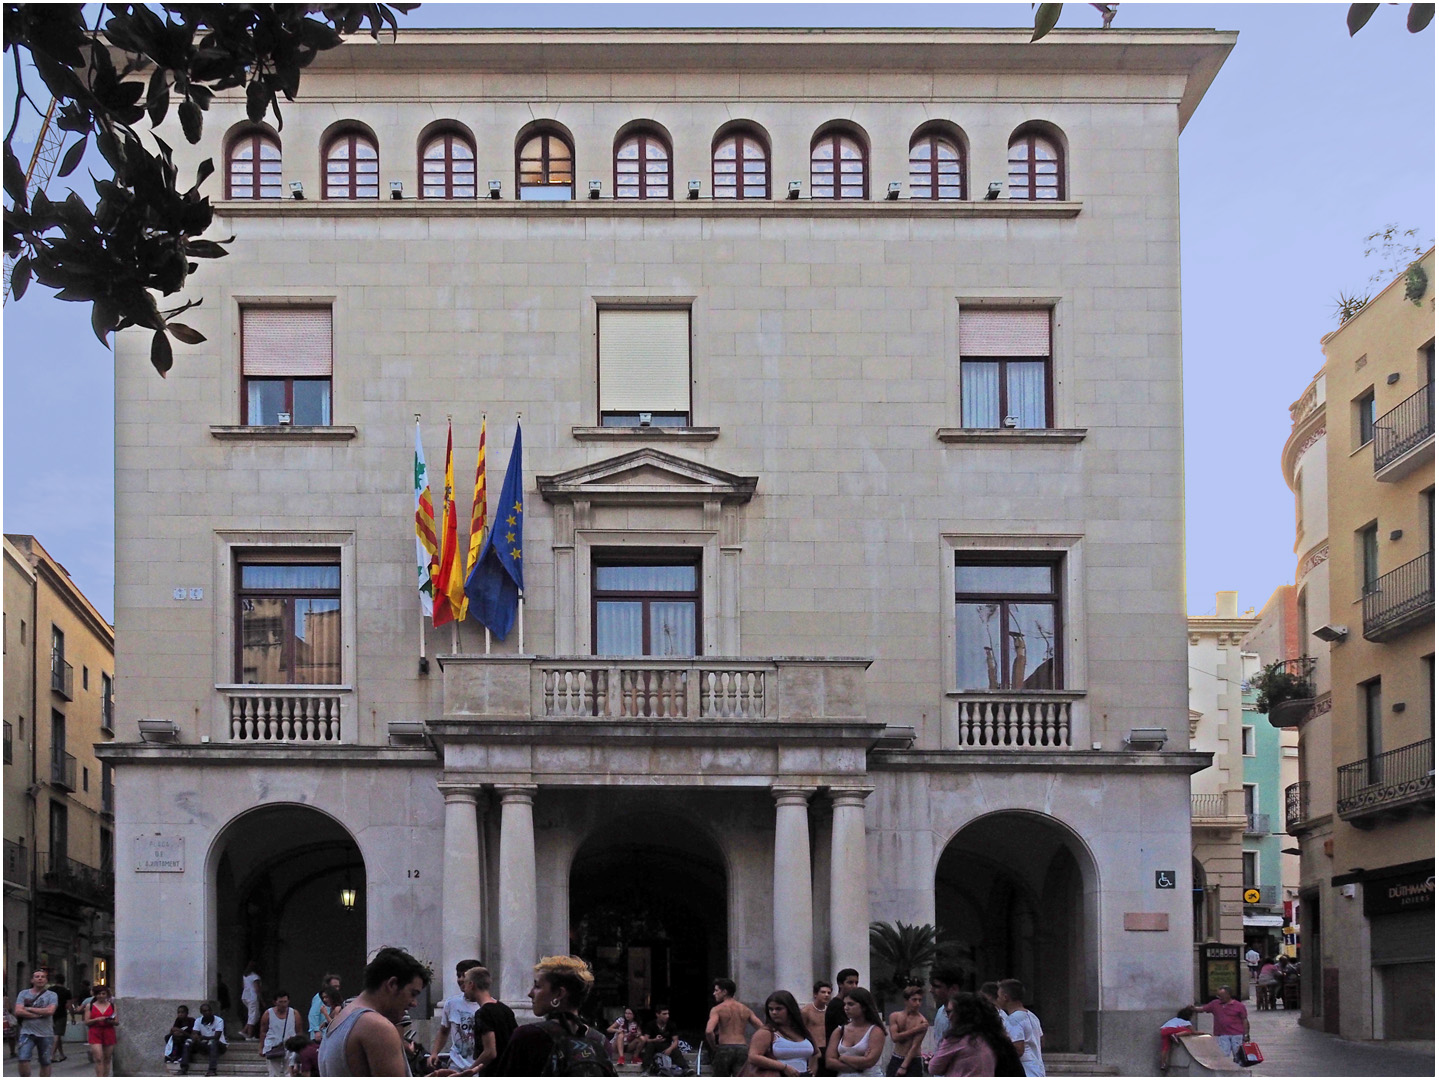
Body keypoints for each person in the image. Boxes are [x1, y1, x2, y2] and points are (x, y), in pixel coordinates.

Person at [318, 946, 430, 1077]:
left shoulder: (339, 1021)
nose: (414, 1003)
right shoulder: (377, 1027)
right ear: (392, 984)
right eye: (413, 993)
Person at [490, 955, 611, 1076]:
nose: (530, 993)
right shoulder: (600, 1041)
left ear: (559, 994)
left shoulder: (527, 1037)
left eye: (537, 986)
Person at [928, 993, 1024, 1078]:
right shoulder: (995, 1038)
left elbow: (934, 1068)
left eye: (949, 1012)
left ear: (962, 1013)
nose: (948, 1017)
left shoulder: (956, 1039)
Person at [747, 990, 816, 1078]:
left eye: (778, 1009)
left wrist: (812, 1069)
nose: (774, 1012)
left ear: (790, 1009)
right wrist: (784, 1067)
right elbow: (753, 1057)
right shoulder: (767, 1032)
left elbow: (816, 1053)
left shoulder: (801, 1030)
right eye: (771, 1009)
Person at [431, 960, 483, 1073]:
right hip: (456, 1066)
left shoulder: (488, 1006)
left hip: (478, 1067)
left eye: (464, 975)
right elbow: (444, 1031)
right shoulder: (451, 1003)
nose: (460, 980)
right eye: (458, 975)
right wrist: (434, 1053)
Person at [706, 977, 763, 1077]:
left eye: (716, 990)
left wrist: (714, 1047)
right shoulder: (745, 1009)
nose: (714, 993)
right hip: (742, 1048)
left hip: (724, 1048)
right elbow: (762, 1028)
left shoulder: (717, 1009)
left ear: (724, 992)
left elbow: (709, 1031)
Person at [465, 965, 517, 1073]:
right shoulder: (505, 1009)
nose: (464, 989)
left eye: (465, 984)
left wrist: (469, 1071)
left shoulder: (483, 1013)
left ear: (471, 985)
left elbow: (490, 1052)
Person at [825, 987, 885, 1077]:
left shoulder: (875, 1031)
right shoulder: (840, 1031)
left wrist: (843, 1057)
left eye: (851, 1004)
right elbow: (829, 1062)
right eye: (845, 1004)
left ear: (864, 1007)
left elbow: (869, 1062)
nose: (846, 1008)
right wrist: (858, 1064)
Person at [994, 981, 1043, 1078]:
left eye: (998, 996)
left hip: (1024, 1071)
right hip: (1037, 1069)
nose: (997, 1000)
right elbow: (1041, 1040)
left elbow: (1018, 1050)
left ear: (1005, 997)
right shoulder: (1032, 1016)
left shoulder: (1013, 1019)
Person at [15, 968, 58, 1077]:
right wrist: (39, 1014)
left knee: (45, 1062)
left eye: (42, 977)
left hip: (46, 1033)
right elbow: (18, 1011)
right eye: (37, 977)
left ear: (46, 980)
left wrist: (29, 1009)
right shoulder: (23, 993)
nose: (40, 979)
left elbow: (50, 1011)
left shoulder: (52, 995)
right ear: (32, 980)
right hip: (27, 1032)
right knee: (23, 1058)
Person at [1191, 986, 1248, 1064]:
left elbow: (1244, 1019)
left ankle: (1239, 1071)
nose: (1219, 998)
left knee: (1238, 1055)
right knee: (1223, 1054)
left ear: (1228, 995)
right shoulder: (1215, 1004)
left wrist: (1246, 1034)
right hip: (1221, 1034)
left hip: (1237, 1034)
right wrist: (1193, 1008)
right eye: (1218, 996)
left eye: (1221, 996)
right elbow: (1203, 1009)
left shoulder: (1239, 1006)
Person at [820, 969, 861, 1076]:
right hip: (836, 1055)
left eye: (856, 983)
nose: (854, 986)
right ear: (840, 984)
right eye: (850, 982)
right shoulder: (836, 1005)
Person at [259, 991, 307, 1076]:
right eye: (280, 1002)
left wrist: (300, 1048)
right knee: (273, 1073)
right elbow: (263, 1031)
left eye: (285, 1002)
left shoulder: (294, 1013)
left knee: (289, 1072)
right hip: (272, 1045)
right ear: (275, 1002)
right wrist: (261, 1048)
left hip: (290, 1046)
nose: (283, 1005)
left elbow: (299, 1031)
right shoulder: (268, 1014)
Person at [886, 985, 928, 1076]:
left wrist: (904, 1066)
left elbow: (915, 1045)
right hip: (896, 1057)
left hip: (914, 1060)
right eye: (914, 1000)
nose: (917, 1003)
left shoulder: (922, 1021)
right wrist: (916, 1029)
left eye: (920, 1000)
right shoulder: (895, 1016)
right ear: (906, 1001)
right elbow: (895, 1037)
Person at [180, 1000, 227, 1076]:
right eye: (205, 1011)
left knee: (213, 1042)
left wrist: (203, 1037)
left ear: (211, 1011)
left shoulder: (219, 1020)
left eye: (209, 1010)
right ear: (201, 1012)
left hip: (219, 1045)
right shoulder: (198, 1020)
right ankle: (184, 1068)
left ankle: (212, 1070)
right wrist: (195, 1037)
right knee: (188, 1042)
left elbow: (216, 1037)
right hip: (205, 1045)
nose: (207, 1012)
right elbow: (194, 1033)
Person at [641, 1005, 689, 1077]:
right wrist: (655, 1039)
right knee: (650, 1046)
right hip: (653, 1045)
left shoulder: (671, 1024)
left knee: (675, 1049)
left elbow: (676, 1041)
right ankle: (646, 1069)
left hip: (666, 1046)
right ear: (657, 1014)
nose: (667, 1016)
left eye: (668, 1014)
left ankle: (685, 1068)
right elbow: (645, 1039)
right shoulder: (651, 1024)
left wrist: (670, 1049)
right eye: (664, 1014)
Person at [83, 984, 118, 1077]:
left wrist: (110, 1021)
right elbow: (86, 1021)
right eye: (99, 994)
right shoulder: (89, 1006)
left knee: (107, 1058)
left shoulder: (112, 1005)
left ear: (107, 994)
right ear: (95, 995)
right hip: (95, 1032)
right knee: (98, 1058)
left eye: (103, 994)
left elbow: (117, 1022)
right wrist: (97, 1019)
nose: (101, 996)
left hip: (108, 1031)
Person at [800, 982, 831, 1061]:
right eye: (823, 992)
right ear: (815, 994)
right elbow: (801, 1030)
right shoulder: (806, 1011)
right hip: (812, 1048)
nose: (826, 995)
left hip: (827, 1048)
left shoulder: (829, 1011)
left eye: (829, 993)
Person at [47, 974, 72, 1063]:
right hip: (61, 1014)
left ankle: (61, 1054)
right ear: (64, 981)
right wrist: (72, 1017)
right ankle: (51, 1055)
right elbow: (69, 1005)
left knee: (57, 1035)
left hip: (50, 1013)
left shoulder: (49, 990)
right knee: (57, 1035)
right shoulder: (66, 991)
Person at [310, 976, 342, 1041]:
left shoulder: (336, 1007)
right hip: (322, 1035)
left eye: (338, 986)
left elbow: (334, 1024)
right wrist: (316, 1030)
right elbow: (313, 1014)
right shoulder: (319, 998)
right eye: (334, 986)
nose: (337, 989)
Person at [242, 961, 264, 1039]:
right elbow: (257, 989)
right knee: (253, 1015)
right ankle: (248, 1034)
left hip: (245, 996)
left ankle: (245, 1030)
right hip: (252, 997)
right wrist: (262, 1000)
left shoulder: (245, 976)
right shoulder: (255, 977)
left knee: (255, 1015)